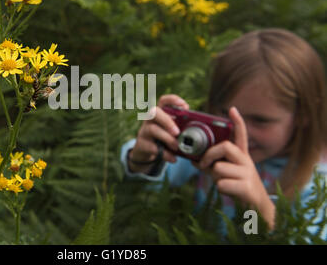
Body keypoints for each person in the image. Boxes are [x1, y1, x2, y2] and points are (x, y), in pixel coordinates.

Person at [120, 28, 327, 239]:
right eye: (225, 115)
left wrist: (260, 211)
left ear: (303, 116)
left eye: (260, 120)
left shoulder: (318, 184)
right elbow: (146, 187)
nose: (241, 133)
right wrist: (143, 158)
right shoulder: (212, 146)